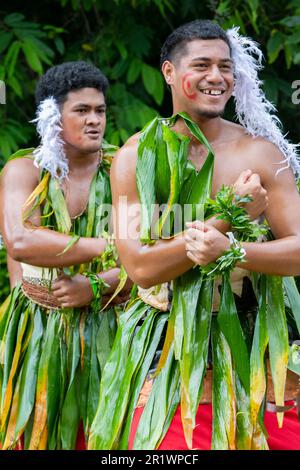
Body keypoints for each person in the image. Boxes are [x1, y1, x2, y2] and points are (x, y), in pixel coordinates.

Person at [88, 20, 300, 451]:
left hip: (256, 345)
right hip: (167, 357)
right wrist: (229, 217)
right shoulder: (132, 159)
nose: (216, 77)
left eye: (225, 66)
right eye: (201, 65)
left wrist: (234, 251)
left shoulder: (259, 153)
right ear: (169, 72)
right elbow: (141, 267)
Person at [0, 61, 130, 450]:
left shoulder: (124, 167)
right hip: (35, 330)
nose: (95, 120)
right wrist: (108, 246)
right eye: (82, 111)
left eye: (100, 111)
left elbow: (153, 252)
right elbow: (20, 242)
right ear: (52, 117)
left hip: (113, 323)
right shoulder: (24, 170)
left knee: (110, 440)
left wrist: (96, 284)